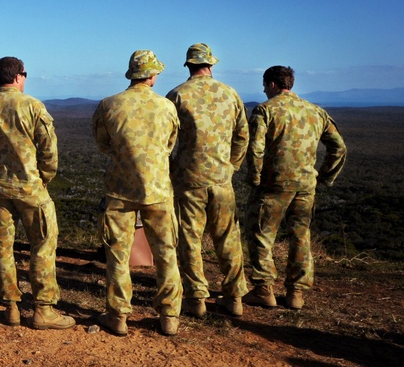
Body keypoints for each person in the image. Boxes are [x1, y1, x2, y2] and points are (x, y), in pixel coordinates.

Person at [0, 56, 74, 330]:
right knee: (43, 246)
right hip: (31, 189)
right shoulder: (33, 106)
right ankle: (43, 310)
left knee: (2, 248)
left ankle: (11, 307)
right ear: (18, 76)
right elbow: (49, 150)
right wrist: (45, 176)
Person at [92, 50, 182, 336]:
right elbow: (170, 145)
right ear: (153, 76)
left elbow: (103, 144)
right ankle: (169, 316)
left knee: (117, 253)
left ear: (132, 73)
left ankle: (118, 315)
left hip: (120, 189)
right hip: (158, 190)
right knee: (166, 252)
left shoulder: (109, 105)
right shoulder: (167, 107)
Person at [243, 66, 347, 310]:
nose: (263, 90)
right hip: (305, 186)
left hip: (273, 185)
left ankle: (263, 290)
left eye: (264, 85)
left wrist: (255, 179)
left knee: (261, 235)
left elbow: (255, 149)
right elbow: (339, 148)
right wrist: (324, 178)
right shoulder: (316, 111)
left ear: (271, 84)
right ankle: (296, 294)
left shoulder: (265, 110)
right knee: (300, 237)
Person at [166, 43, 249, 318]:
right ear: (211, 65)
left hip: (188, 178)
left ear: (188, 65)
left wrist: (172, 169)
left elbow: (166, 140)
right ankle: (234, 296)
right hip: (221, 179)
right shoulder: (231, 94)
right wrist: (231, 167)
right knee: (227, 236)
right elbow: (242, 137)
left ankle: (196, 298)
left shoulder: (177, 95)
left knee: (190, 237)